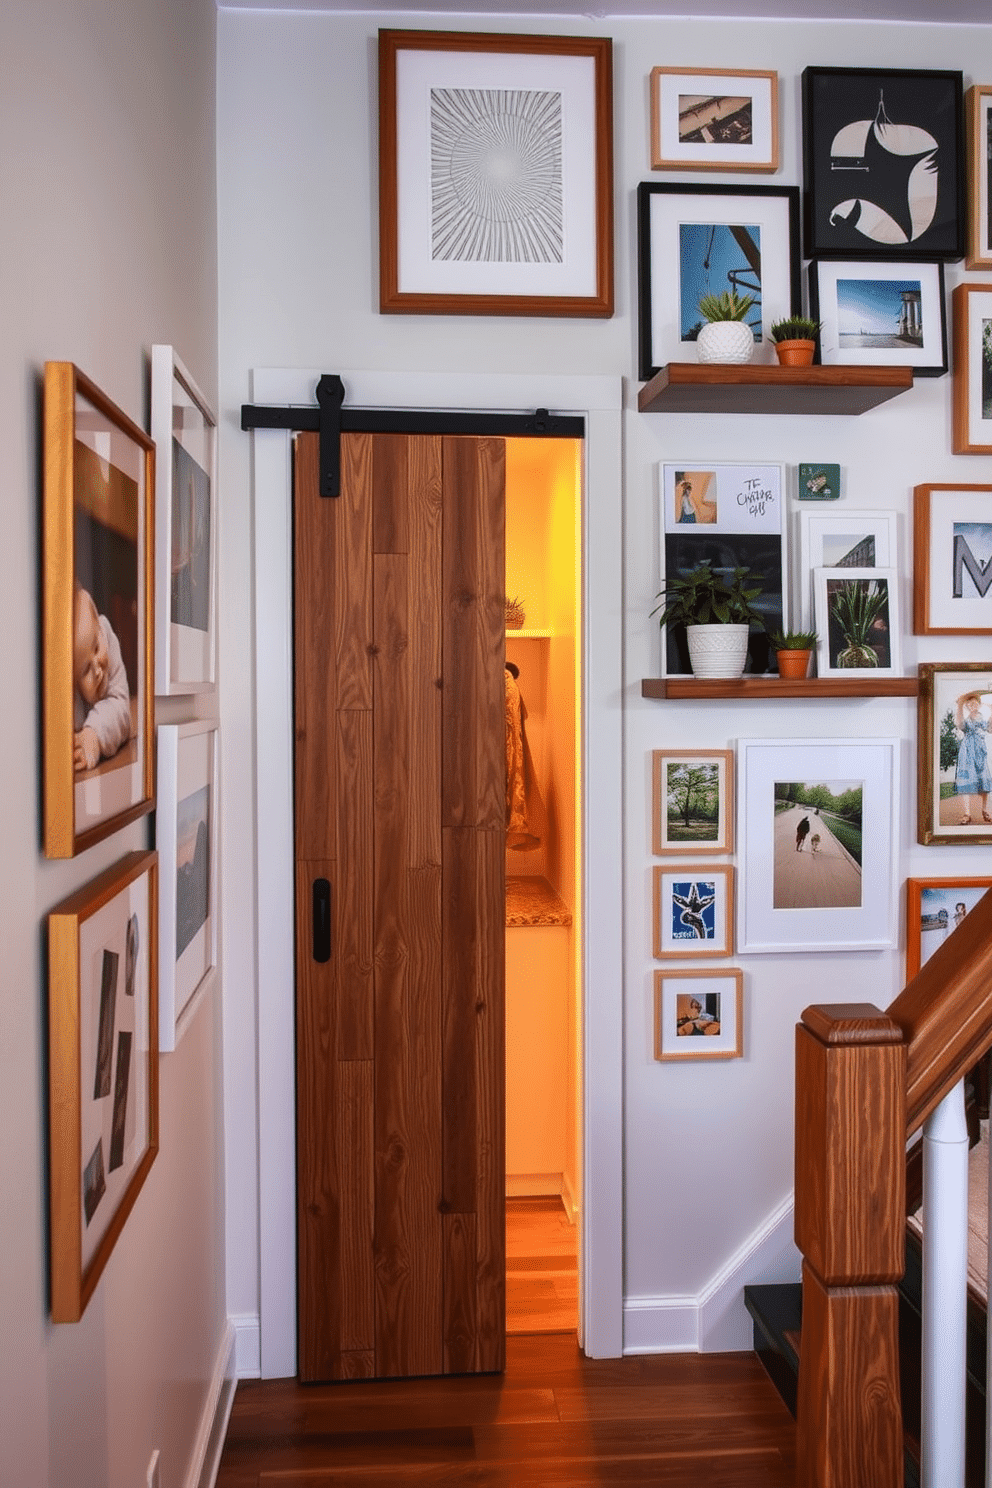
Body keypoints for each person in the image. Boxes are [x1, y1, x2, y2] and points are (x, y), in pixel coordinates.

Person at [73, 583, 131, 772]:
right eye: (86, 669)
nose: (98, 667)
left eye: (96, 647)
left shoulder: (106, 634)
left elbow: (120, 704)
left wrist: (94, 735)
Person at [953, 692, 991, 825]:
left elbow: (990, 729)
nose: (972, 705)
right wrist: (959, 705)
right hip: (967, 751)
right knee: (966, 780)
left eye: (974, 702)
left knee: (984, 780)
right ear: (967, 706)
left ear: (979, 705)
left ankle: (985, 810)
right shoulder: (965, 717)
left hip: (980, 751)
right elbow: (960, 725)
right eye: (969, 703)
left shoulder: (982, 718)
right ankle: (967, 813)